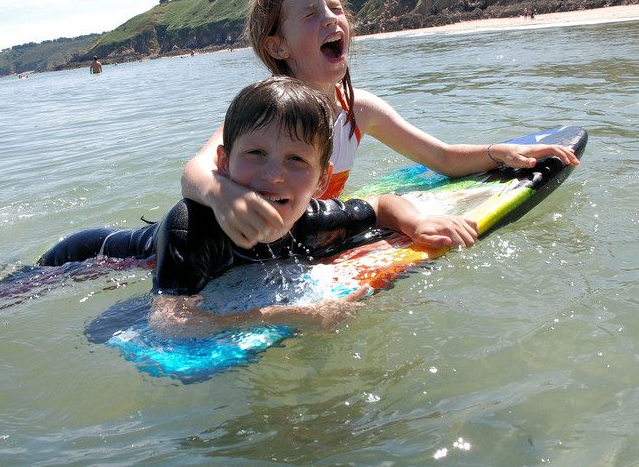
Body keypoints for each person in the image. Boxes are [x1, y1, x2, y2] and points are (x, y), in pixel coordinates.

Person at [181, 0, 580, 249]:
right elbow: (194, 171)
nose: (331, 20)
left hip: (306, 229)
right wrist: (223, 196)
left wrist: (501, 152)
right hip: (219, 242)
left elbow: (440, 157)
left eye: (336, 10)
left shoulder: (358, 109)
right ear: (277, 45)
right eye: (310, 14)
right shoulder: (266, 113)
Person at [40, 77, 477, 336]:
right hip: (93, 258)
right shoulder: (191, 226)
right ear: (225, 163)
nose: (274, 176)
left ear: (322, 180)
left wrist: (417, 223)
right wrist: (281, 315)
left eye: (295, 160)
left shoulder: (310, 218)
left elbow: (383, 204)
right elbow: (170, 323)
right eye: (256, 155)